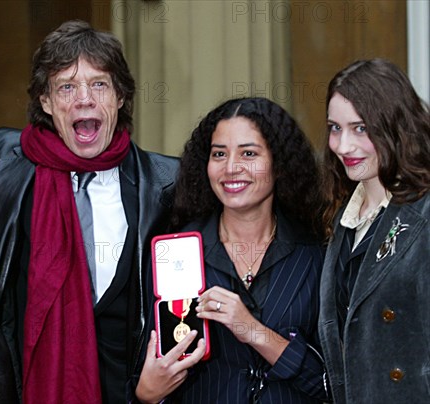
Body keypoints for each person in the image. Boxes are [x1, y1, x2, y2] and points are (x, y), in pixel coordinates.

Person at [0, 20, 179, 403]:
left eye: (99, 84)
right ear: (46, 101)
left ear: (121, 96)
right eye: (67, 86)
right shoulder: (8, 164)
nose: (84, 99)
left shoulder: (167, 184)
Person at [134, 97, 330, 403]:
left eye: (249, 153)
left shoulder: (316, 254)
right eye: (219, 154)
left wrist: (252, 330)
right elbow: (142, 371)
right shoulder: (174, 252)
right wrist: (147, 393)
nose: (231, 168)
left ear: (279, 164)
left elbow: (332, 384)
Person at [318, 59, 430, 403]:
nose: (343, 146)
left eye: (361, 128)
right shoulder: (343, 217)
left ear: (395, 126)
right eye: (335, 128)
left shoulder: (424, 213)